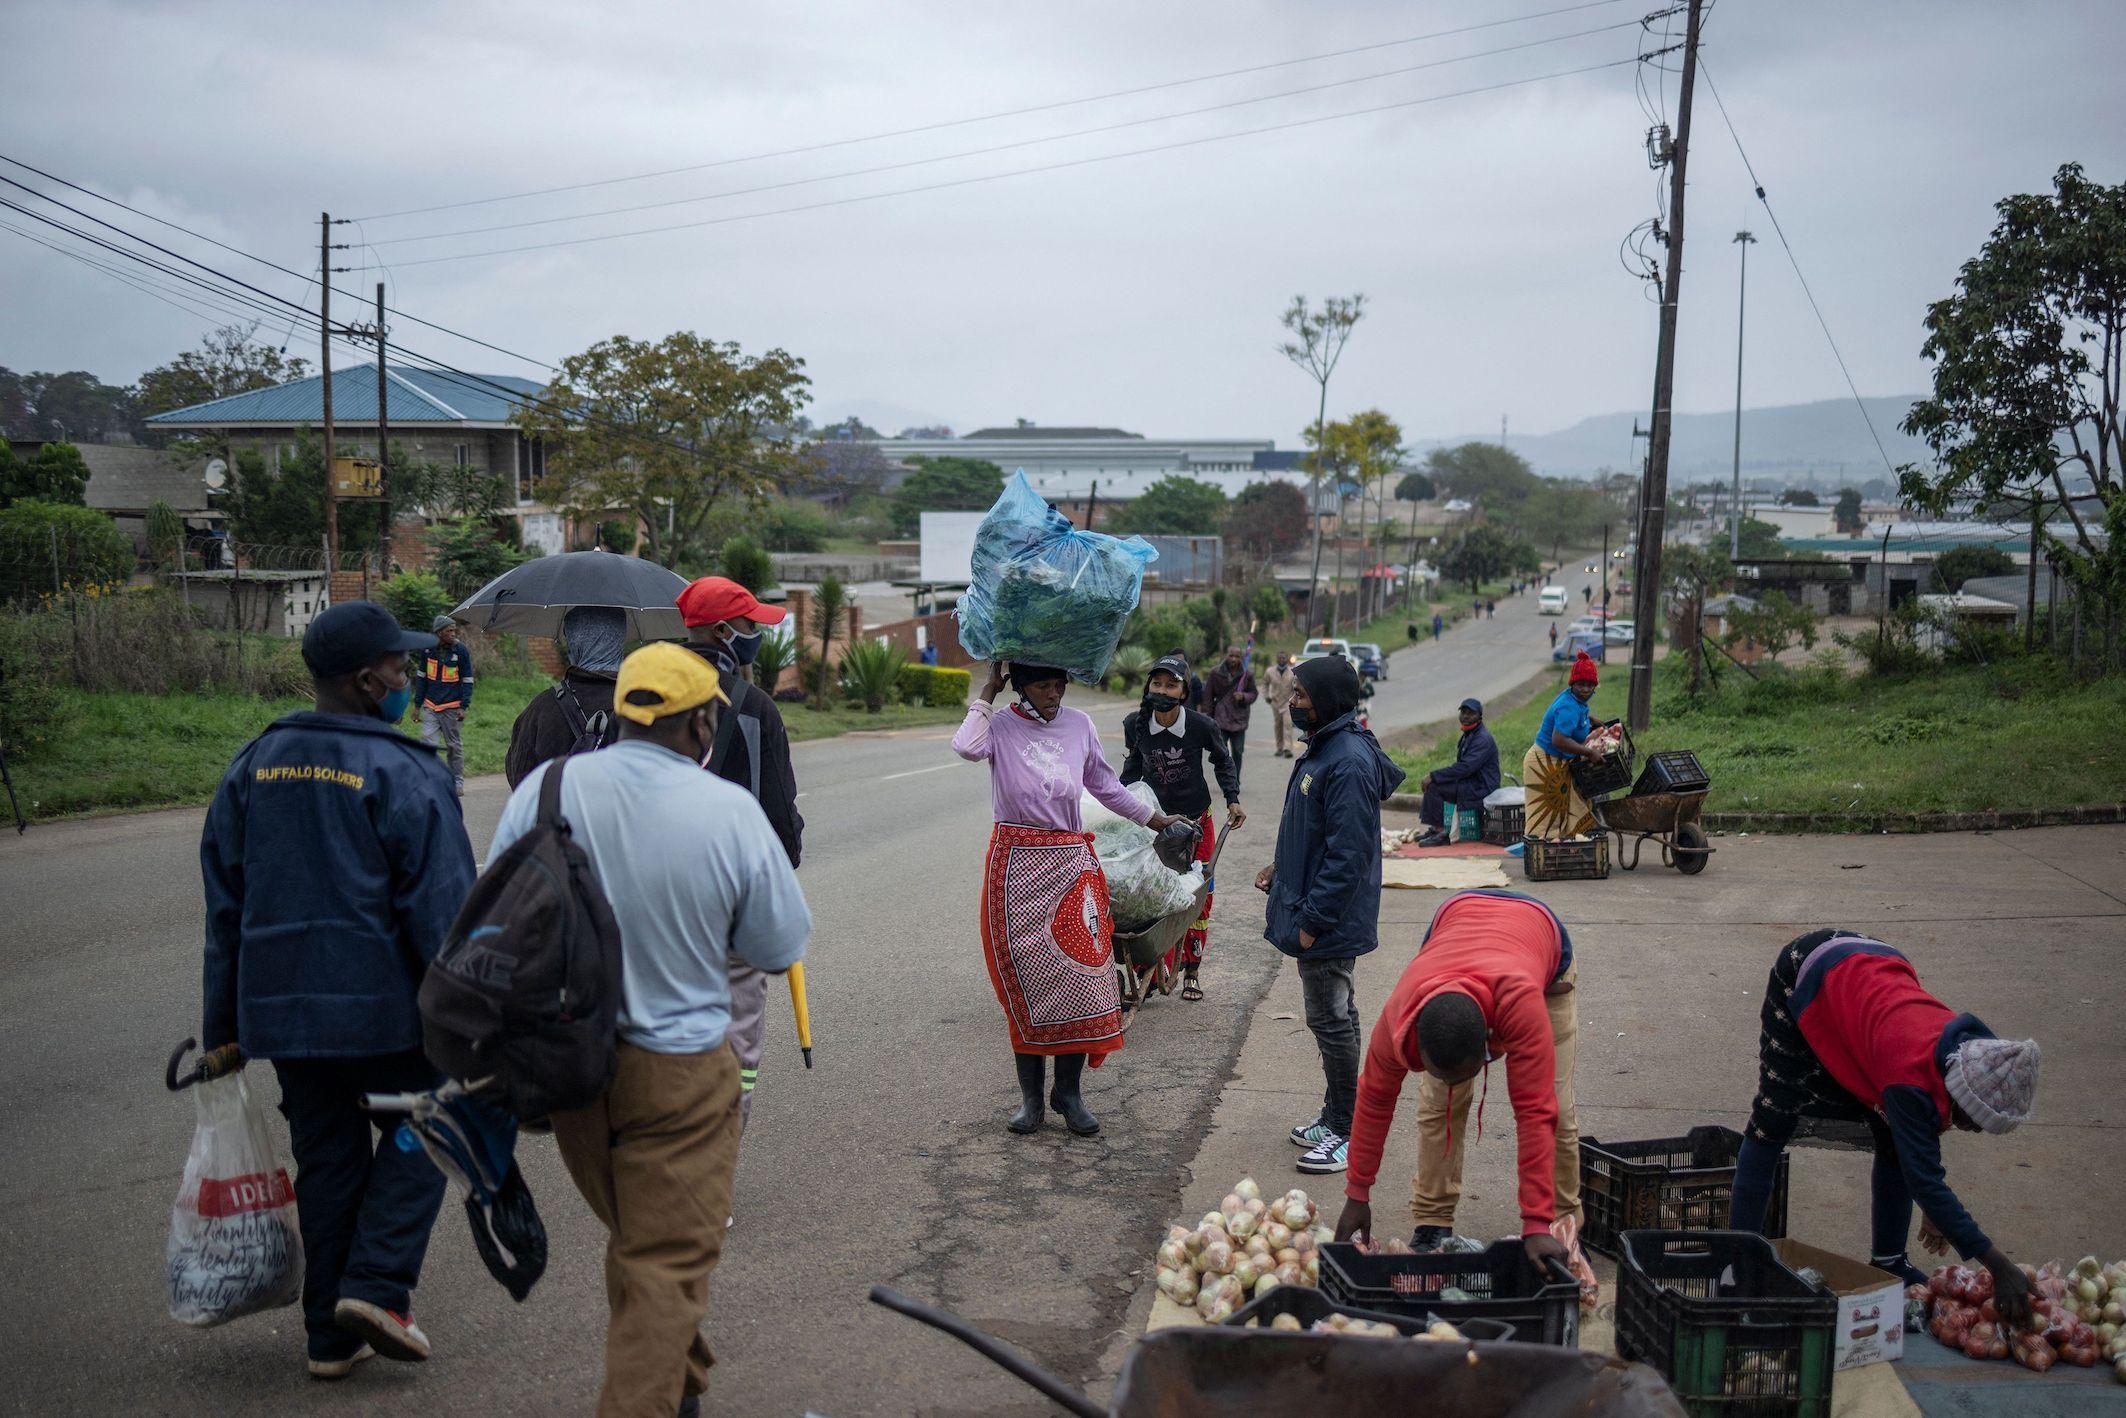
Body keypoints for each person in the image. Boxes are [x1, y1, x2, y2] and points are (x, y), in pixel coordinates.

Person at [490, 644, 811, 1417]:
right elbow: (777, 946)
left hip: (571, 1072)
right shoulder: (726, 811)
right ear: (700, 723)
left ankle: (681, 1386)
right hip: (680, 1075)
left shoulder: (547, 789)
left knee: (644, 1245)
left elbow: (495, 913)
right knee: (665, 1258)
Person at [199, 601, 476, 1380]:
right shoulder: (406, 773)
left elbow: (225, 909)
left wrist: (223, 1028)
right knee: (439, 1119)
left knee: (327, 1159)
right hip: (386, 1016)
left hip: (286, 1018)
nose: (409, 679)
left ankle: (330, 1335)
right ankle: (379, 1287)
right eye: (399, 667)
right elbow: (445, 914)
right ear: (364, 681)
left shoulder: (252, 766)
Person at [1729, 931, 2039, 1313]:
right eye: (1974, 1120)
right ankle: (1739, 1260)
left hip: (1875, 972)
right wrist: (1999, 1266)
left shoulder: (1964, 1053)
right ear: (1961, 1091)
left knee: (1894, 1134)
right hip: (1810, 968)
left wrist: (1936, 1208)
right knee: (1774, 1114)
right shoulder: (1910, 1077)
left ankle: (1890, 1261)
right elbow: (1924, 1175)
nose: (1973, 1129)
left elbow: (1920, 1144)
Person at [954, 661, 1184, 1137]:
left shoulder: (1079, 725)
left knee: (1082, 979)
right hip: (1016, 868)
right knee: (1030, 983)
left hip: (1069, 863)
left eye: (1059, 685)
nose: (1054, 694)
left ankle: (1069, 1093)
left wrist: (1154, 819)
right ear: (1021, 687)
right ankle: (1031, 1100)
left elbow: (1105, 786)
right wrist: (988, 692)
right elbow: (966, 746)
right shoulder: (1000, 726)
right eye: (1043, 686)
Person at [1333, 890, 1578, 1274]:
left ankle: (1564, 1227)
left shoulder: (1520, 1005)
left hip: (1539, 941)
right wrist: (1357, 1193)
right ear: (1419, 1046)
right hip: (1453, 927)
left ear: (1488, 1042)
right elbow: (1374, 1099)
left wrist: (1535, 1223)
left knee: (1557, 1110)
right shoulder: (1399, 1020)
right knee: (1440, 1104)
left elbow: (1535, 1111)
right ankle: (1433, 1219)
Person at [1255, 656, 1406, 1175]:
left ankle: (1347, 1130)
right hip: (1319, 909)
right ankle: (1340, 1113)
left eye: (1300, 694)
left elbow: (1348, 856)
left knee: (1330, 1019)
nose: (1292, 701)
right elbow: (1316, 831)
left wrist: (1313, 922)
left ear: (1327, 701)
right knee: (1339, 1015)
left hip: (1329, 921)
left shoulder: (1348, 762)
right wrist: (1282, 868)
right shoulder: (1327, 746)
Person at [677, 576, 804, 1129]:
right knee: (735, 1030)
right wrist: (783, 869)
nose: (758, 634)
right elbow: (778, 807)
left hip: (656, 892)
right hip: (732, 897)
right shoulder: (754, 707)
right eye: (751, 624)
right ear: (725, 632)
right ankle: (716, 1144)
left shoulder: (645, 695)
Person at [1121, 655, 1245, 1002]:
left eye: (1171, 685)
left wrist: (1233, 799)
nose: (1162, 691)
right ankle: (1149, 971)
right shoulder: (1135, 724)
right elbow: (1132, 769)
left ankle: (1191, 969)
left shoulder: (1201, 725)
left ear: (1184, 692)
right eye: (1157, 683)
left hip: (1196, 824)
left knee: (1197, 897)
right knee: (1151, 895)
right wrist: (1116, 808)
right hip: (1156, 825)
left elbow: (1223, 760)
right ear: (1149, 687)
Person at [504, 606, 625, 788]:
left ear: (573, 645)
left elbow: (519, 777)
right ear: (619, 642)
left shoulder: (541, 709)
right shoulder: (644, 705)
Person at [1522, 652, 1606, 840]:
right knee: (1547, 817)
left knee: (1565, 812)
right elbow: (1559, 740)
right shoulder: (1568, 706)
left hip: (1558, 763)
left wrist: (1591, 720)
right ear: (1572, 684)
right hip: (1544, 764)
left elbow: (1578, 716)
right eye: (1581, 684)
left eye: (1590, 685)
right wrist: (1589, 752)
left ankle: (1563, 848)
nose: (1585, 689)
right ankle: (1545, 852)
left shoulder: (1577, 701)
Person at [1414, 698, 1500, 848]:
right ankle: (1436, 829)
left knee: (1434, 786)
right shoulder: (1469, 734)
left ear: (1479, 716)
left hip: (1482, 788)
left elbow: (1465, 768)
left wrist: (1433, 775)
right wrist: (1436, 777)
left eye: (1470, 713)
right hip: (1471, 783)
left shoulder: (1482, 739)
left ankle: (1441, 833)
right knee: (1435, 784)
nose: (1465, 716)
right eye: (1463, 712)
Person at [412, 615, 475, 796]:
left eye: (454, 630)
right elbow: (422, 679)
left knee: (453, 746)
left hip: (452, 707)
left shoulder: (460, 651)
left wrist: (464, 706)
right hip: (431, 705)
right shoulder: (427, 650)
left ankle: (457, 781)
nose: (453, 634)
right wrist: (417, 706)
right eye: (449, 631)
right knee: (428, 742)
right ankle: (429, 780)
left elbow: (468, 679)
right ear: (439, 632)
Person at [1201, 644, 1258, 784]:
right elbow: (1208, 696)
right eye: (1231, 655)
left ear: (1241, 658)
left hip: (1239, 719)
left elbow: (1254, 693)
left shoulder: (1247, 674)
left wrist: (1243, 696)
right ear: (1226, 655)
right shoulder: (1215, 673)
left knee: (1238, 751)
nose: (1233, 659)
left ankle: (1235, 780)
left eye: (1237, 656)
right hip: (1220, 718)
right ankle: (1225, 780)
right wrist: (1207, 717)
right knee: (1221, 752)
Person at [1262, 651, 1299, 758]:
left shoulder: (1292, 672)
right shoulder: (1270, 671)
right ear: (1277, 659)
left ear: (1287, 659)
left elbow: (1296, 687)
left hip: (1287, 702)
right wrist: (1266, 696)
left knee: (1287, 724)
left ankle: (1288, 749)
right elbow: (1264, 684)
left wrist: (1296, 699)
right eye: (1280, 658)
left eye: (1284, 658)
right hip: (1275, 702)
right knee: (1278, 725)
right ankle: (1279, 748)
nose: (1282, 660)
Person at [1167, 647, 1207, 715]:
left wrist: (1198, 717)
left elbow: (1198, 701)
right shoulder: (1167, 679)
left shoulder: (1194, 679)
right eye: (1175, 660)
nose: (1178, 663)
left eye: (1180, 660)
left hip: (1189, 714)